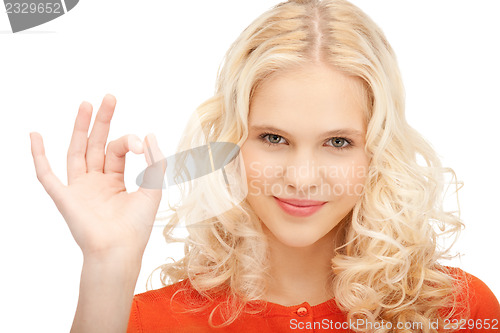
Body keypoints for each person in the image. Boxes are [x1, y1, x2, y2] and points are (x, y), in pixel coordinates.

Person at [29, 0, 500, 332]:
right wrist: (107, 266)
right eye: (273, 138)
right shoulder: (139, 321)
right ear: (231, 143)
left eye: (338, 142)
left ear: (376, 150)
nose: (300, 177)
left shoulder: (458, 311)